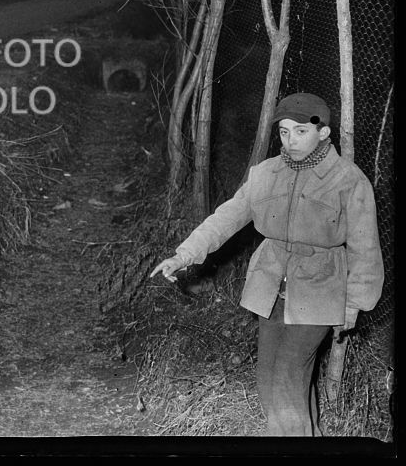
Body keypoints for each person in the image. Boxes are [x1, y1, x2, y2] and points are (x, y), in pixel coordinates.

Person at [150, 93, 383, 437]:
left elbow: (366, 247)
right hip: (271, 286)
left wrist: (355, 304)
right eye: (285, 132)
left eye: (300, 131)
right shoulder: (266, 173)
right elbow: (227, 216)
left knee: (288, 379)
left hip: (319, 288)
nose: (290, 141)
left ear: (324, 133)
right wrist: (184, 254)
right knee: (269, 379)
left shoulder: (348, 181)